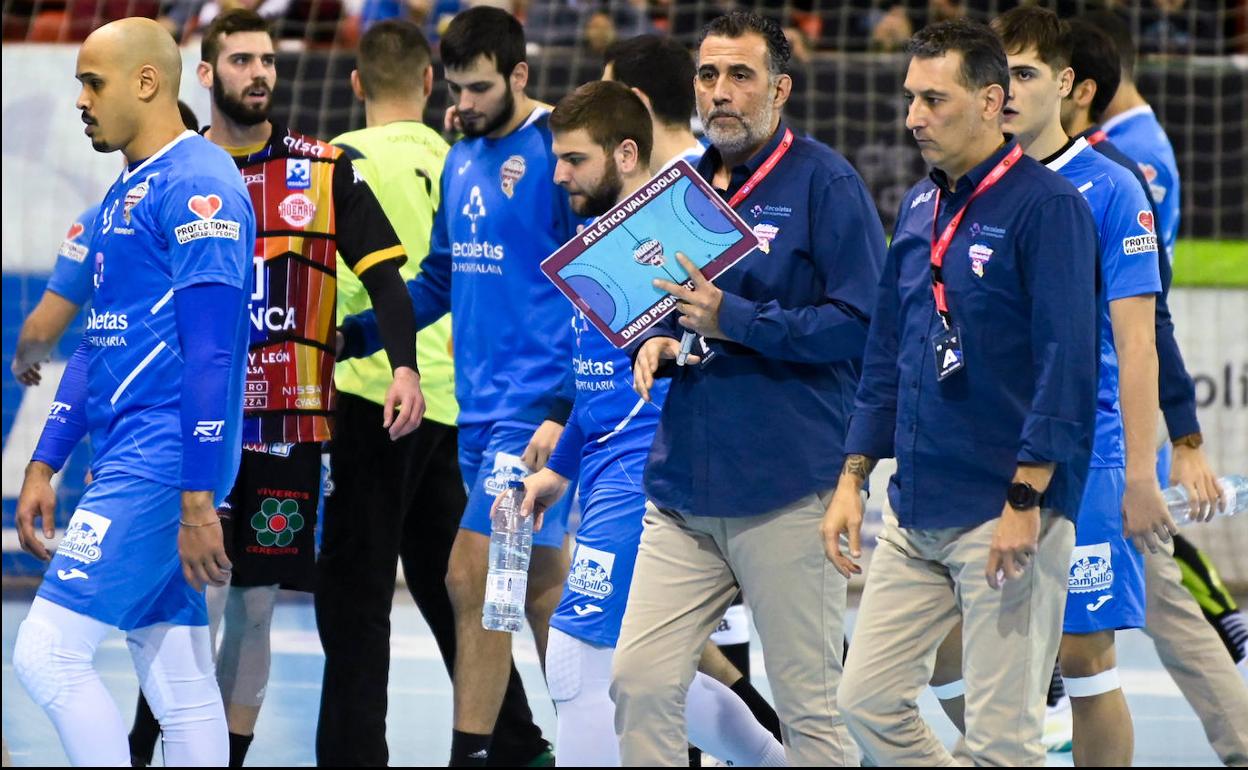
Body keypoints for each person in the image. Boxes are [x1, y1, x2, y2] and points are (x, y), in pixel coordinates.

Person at [126, 9, 423, 767]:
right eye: (241, 61)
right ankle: (140, 746)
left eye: (267, 59)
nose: (259, 73)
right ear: (206, 73)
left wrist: (404, 369)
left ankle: (221, 757)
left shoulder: (323, 170)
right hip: (195, 426)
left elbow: (389, 285)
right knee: (191, 599)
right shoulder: (172, 171)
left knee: (255, 609)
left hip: (289, 426)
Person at [613, 11, 885, 766]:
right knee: (636, 682)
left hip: (788, 492)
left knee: (813, 716)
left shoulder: (825, 183)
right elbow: (664, 310)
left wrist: (736, 318)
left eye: (741, 75)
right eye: (708, 75)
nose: (721, 92)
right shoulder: (684, 189)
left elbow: (864, 327)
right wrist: (659, 340)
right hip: (685, 490)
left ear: (781, 88)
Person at [825, 18, 1100, 766]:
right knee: (864, 701)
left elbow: (1068, 364)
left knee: (1003, 738)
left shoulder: (1050, 208)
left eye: (934, 99)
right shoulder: (921, 205)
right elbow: (888, 350)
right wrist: (854, 477)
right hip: (917, 510)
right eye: (911, 97)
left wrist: (1026, 500)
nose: (914, 116)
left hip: (1006, 512)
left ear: (989, 102)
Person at [515, 79, 786, 768]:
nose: (560, 174)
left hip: (648, 474)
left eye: (574, 159)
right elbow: (597, 387)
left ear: (626, 153)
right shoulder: (594, 239)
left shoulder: (676, 236)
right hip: (604, 469)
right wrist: (561, 469)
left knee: (578, 655)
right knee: (650, 674)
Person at [337, 7, 578, 765]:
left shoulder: (557, 153)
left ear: (520, 76)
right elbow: (441, 275)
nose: (464, 104)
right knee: (534, 598)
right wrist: (362, 336)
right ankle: (696, 723)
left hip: (534, 424)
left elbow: (607, 284)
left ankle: (474, 757)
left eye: (481, 89)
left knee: (470, 577)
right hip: (477, 421)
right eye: (457, 88)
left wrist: (568, 408)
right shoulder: (458, 157)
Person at [12, 17, 255, 766]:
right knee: (178, 678)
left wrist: (195, 499)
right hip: (131, 450)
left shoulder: (200, 185)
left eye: (93, 82)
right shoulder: (124, 197)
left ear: (147, 83)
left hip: (163, 456)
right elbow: (97, 341)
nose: (80, 99)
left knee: (46, 653)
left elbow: (215, 354)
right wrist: (44, 461)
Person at [1061, 18, 1248, 762]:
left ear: (1078, 88)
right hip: (1082, 428)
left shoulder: (1126, 162)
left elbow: (1149, 316)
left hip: (1107, 424)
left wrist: (1185, 438)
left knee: (1158, 603)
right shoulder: (1113, 153)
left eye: (1027, 74)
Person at [600, 32, 781, 746]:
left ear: (638, 105)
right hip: (676, 455)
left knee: (785, 661)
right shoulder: (669, 186)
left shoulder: (688, 191)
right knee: (675, 660)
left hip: (721, 453)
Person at [12, 102, 201, 388]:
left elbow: (40, 333)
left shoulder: (97, 221)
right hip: (207, 390)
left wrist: (24, 358)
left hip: (131, 392)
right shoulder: (218, 214)